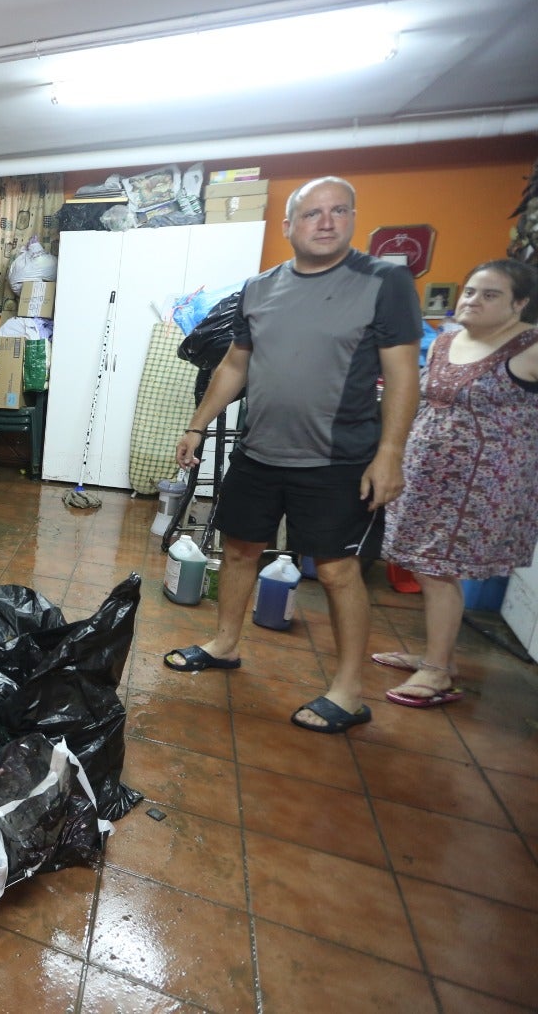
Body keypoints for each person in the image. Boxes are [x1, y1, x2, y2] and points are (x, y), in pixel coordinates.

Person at [163, 177, 421, 733]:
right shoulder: (259, 289)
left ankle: (348, 692)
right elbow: (235, 364)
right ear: (288, 226)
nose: (325, 222)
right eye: (311, 213)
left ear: (353, 218)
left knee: (336, 571)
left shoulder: (384, 282)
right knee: (239, 551)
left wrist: (390, 453)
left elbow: (403, 372)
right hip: (259, 451)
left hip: (337, 459)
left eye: (338, 211)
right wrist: (196, 426)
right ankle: (225, 644)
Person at [374, 260, 538, 705]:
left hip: (481, 486)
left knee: (437, 570)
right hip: (427, 476)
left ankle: (436, 672)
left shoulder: (529, 346)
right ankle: (438, 656)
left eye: (491, 295)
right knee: (426, 567)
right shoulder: (446, 341)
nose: (474, 301)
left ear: (519, 303)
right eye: (470, 291)